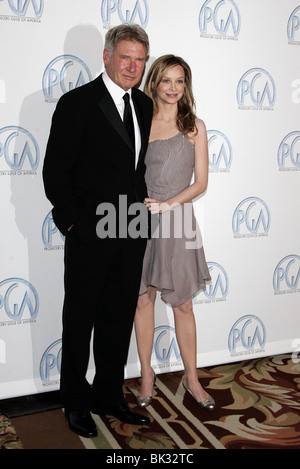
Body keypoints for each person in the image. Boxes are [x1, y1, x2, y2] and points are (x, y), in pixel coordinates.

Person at [42, 24, 153, 438]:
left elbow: (135, 169)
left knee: (118, 317)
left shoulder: (142, 104)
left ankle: (109, 394)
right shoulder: (77, 103)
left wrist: (143, 218)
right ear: (106, 57)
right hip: (89, 232)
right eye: (125, 57)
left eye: (140, 59)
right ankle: (75, 400)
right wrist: (73, 223)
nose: (132, 66)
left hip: (131, 230)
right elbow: (55, 172)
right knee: (80, 318)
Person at [134, 55, 215, 412]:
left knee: (183, 303)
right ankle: (147, 374)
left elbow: (201, 183)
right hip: (138, 220)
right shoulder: (140, 123)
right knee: (142, 298)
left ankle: (191, 378)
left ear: (186, 85)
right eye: (165, 80)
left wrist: (169, 205)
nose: (172, 88)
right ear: (154, 83)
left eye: (179, 81)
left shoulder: (195, 126)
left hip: (178, 221)